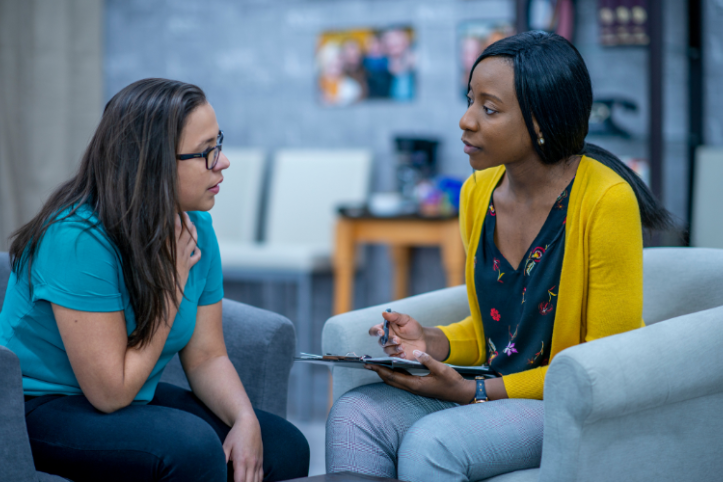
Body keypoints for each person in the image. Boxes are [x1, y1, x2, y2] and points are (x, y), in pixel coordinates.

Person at [326, 31, 672, 482]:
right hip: (493, 386)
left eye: (489, 109)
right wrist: (430, 342)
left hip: (566, 406)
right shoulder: (477, 192)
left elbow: (601, 367)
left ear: (543, 123)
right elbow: (498, 331)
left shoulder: (606, 200)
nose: (466, 121)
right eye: (470, 101)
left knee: (433, 442)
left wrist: (475, 391)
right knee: (355, 414)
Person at [0, 78, 309, 482]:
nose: (223, 162)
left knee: (283, 445)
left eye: (219, 143)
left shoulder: (195, 225)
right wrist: (173, 283)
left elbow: (207, 356)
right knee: (191, 448)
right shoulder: (76, 240)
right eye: (205, 153)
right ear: (152, 162)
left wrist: (245, 419)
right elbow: (110, 393)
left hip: (130, 396)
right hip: (39, 406)